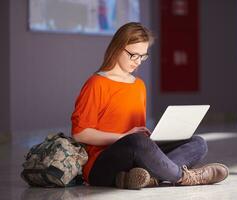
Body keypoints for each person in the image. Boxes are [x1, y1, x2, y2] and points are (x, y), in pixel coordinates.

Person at [71, 22, 229, 189]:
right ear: (118, 48)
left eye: (143, 56)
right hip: (101, 166)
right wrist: (123, 137)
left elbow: (138, 132)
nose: (138, 62)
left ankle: (145, 178)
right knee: (137, 142)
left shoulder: (139, 85)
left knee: (198, 143)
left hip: (135, 156)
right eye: (134, 55)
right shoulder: (96, 84)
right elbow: (80, 134)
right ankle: (184, 177)